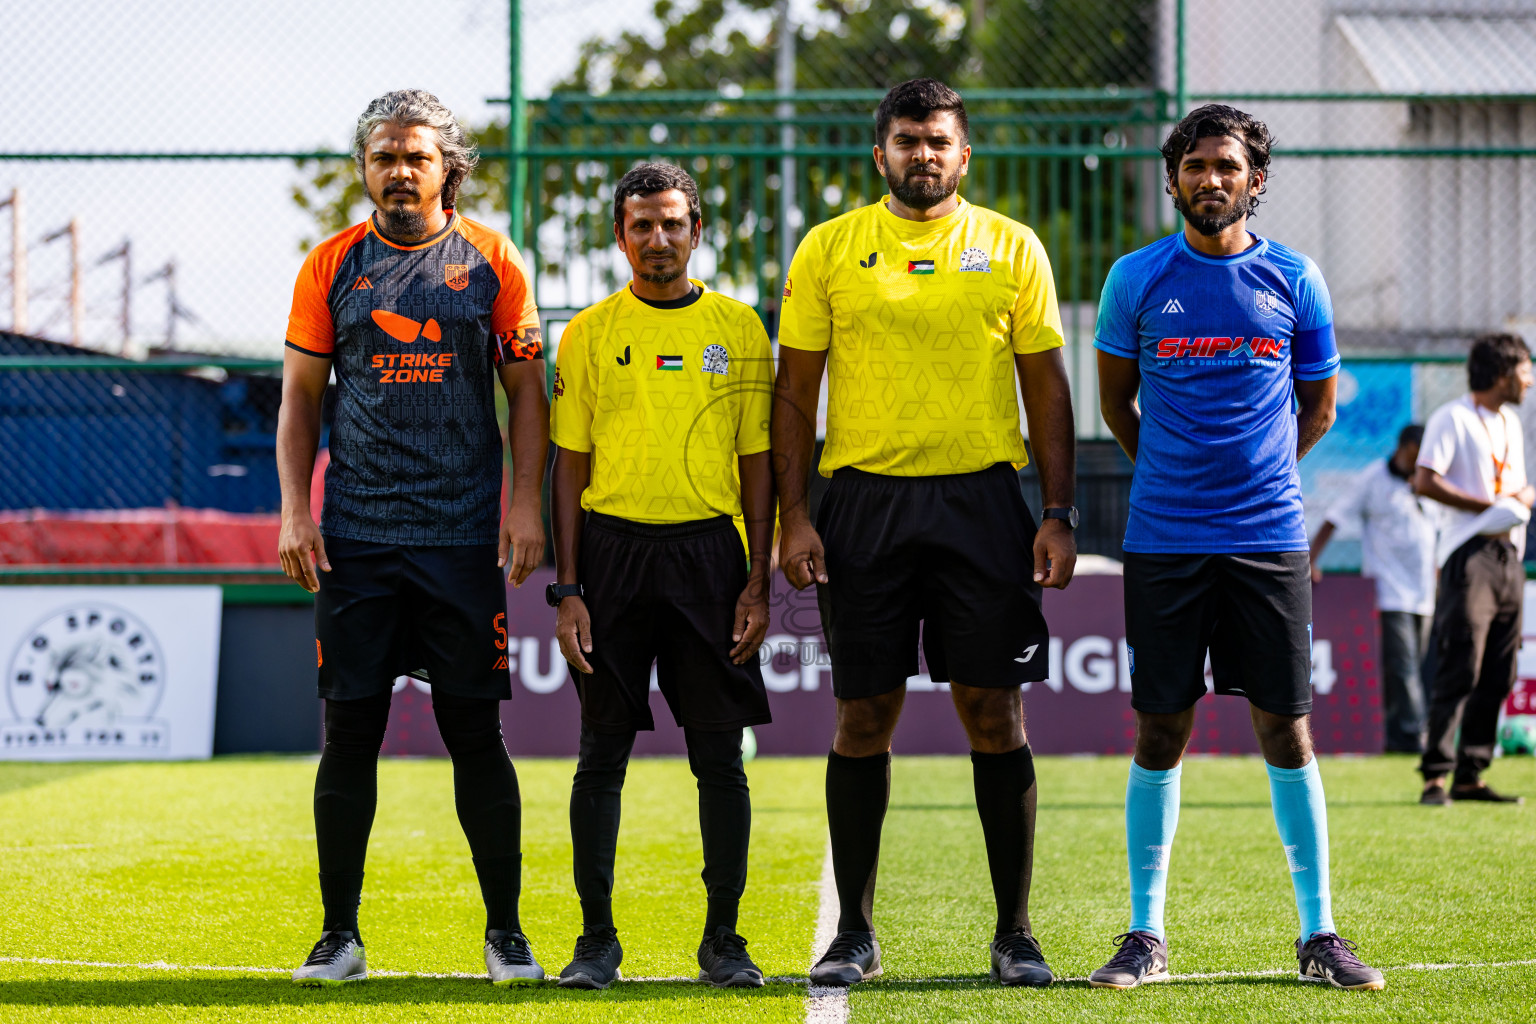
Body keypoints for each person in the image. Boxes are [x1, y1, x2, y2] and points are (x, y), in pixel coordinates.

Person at [774, 78, 1078, 989]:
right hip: (862, 504)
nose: (923, 154)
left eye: (938, 141)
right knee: (864, 714)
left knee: (995, 712)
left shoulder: (1011, 248)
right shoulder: (830, 249)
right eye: (907, 140)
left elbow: (1048, 388)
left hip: (983, 504)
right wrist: (795, 515)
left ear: (964, 154)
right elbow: (794, 392)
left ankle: (1014, 933)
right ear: (881, 154)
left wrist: (1058, 511)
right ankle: (855, 935)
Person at [1091, 104, 1384, 992]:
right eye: (1193, 165)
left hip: (1267, 540)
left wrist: (1260, 481)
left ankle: (1319, 934)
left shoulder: (1296, 278)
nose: (1209, 180)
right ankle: (1145, 934)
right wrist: (1178, 478)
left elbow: (1319, 408)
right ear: (1174, 178)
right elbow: (1116, 405)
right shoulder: (1136, 279)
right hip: (1166, 541)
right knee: (1160, 729)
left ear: (1255, 179)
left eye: (1227, 166)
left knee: (1285, 729)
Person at [276, 89, 550, 986]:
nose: (399, 171)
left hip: (462, 538)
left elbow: (527, 397)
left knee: (476, 735)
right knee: (348, 734)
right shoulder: (330, 266)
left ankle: (505, 935)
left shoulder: (494, 259)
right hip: (356, 539)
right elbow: (301, 400)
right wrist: (295, 510)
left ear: (447, 169)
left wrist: (522, 504)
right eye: (385, 156)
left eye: (417, 157)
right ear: (365, 168)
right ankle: (338, 936)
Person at [548, 163, 775, 990]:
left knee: (719, 758)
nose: (658, 239)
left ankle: (724, 941)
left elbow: (759, 460)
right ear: (620, 237)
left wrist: (757, 579)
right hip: (611, 558)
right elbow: (568, 467)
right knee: (600, 754)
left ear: (696, 232)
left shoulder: (740, 328)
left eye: (672, 224)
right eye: (641, 226)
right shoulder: (588, 334)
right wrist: (568, 588)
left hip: (711, 560)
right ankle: (596, 941)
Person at [1414, 332, 1533, 806]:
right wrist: (1487, 505)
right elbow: (1425, 480)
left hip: (1509, 555)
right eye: (1525, 369)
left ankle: (1471, 773)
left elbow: (1521, 486)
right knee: (1461, 661)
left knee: (1500, 671)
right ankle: (1435, 776)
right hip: (1470, 553)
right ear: (1503, 374)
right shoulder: (1453, 417)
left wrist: (1520, 500)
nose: (1530, 380)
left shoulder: (1512, 423)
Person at [1309, 425, 1437, 753]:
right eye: (1418, 454)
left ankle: (1393, 735)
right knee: (1404, 665)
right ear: (1404, 447)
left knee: (1409, 667)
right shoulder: (1374, 478)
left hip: (1425, 593)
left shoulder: (1427, 483)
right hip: (1390, 591)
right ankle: (1414, 736)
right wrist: (1309, 560)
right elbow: (1335, 517)